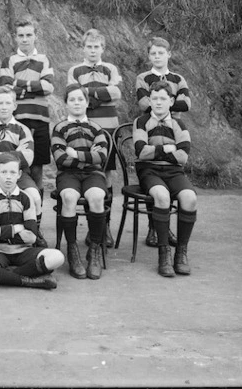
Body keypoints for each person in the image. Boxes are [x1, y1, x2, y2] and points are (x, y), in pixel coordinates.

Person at [0, 153, 64, 289]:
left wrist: (2, 232)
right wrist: (17, 228)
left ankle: (3, 276)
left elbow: (31, 236)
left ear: (19, 174)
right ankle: (28, 280)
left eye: (12, 172)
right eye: (4, 172)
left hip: (24, 251)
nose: (8, 176)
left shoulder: (26, 198)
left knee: (57, 257)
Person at [133, 80, 197, 278]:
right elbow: (141, 152)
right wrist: (166, 149)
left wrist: (156, 151)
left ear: (171, 101)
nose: (158, 103)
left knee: (190, 198)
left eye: (163, 99)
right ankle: (164, 254)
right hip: (149, 172)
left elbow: (183, 156)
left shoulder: (179, 124)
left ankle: (181, 254)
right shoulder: (141, 122)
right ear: (149, 101)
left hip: (174, 172)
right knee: (162, 196)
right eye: (154, 99)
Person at [66, 28, 121, 248]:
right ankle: (90, 224)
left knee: (106, 173)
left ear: (103, 49)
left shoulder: (110, 69)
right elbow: (73, 95)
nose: (92, 50)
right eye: (89, 46)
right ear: (83, 48)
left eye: (96, 47)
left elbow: (116, 96)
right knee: (88, 170)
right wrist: (101, 95)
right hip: (85, 129)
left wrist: (89, 95)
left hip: (108, 128)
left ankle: (103, 226)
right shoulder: (75, 70)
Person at [0, 85, 47, 248]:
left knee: (34, 196)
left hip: (20, 175)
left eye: (8, 103)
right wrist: (15, 154)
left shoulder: (23, 129)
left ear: (14, 105)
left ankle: (35, 231)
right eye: (0, 103)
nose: (4, 107)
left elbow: (27, 159)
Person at [136, 37, 191, 248]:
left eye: (161, 53)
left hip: (173, 126)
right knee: (154, 173)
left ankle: (164, 228)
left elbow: (186, 105)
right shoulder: (143, 77)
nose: (157, 57)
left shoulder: (178, 78)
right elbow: (143, 104)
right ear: (149, 56)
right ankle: (154, 228)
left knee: (171, 167)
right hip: (150, 127)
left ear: (169, 54)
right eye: (153, 53)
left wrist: (164, 103)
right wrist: (167, 101)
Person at [51, 84, 109, 280]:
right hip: (68, 174)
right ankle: (73, 251)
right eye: (72, 100)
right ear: (66, 104)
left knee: (97, 197)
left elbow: (101, 157)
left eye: (80, 99)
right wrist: (88, 156)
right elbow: (61, 159)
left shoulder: (96, 128)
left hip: (93, 174)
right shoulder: (59, 128)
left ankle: (94, 250)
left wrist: (75, 154)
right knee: (68, 197)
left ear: (87, 102)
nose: (76, 103)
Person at [0, 17, 54, 193]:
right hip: (16, 121)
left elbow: (48, 87)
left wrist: (19, 85)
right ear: (15, 37)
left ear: (35, 36)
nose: (25, 39)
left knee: (37, 170)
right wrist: (34, 86)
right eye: (21, 35)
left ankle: (36, 218)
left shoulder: (45, 59)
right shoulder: (9, 60)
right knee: (15, 168)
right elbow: (7, 88)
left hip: (40, 120)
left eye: (28, 35)